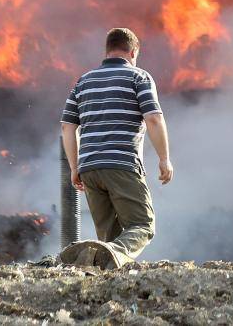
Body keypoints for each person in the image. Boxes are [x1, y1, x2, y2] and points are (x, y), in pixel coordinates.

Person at [59, 27, 174, 268]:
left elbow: (67, 127)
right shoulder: (138, 77)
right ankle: (110, 252)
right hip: (121, 164)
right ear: (133, 52)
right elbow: (153, 118)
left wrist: (74, 167)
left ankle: (102, 278)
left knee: (107, 241)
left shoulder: (84, 81)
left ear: (107, 51)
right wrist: (164, 158)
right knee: (142, 225)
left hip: (89, 169)